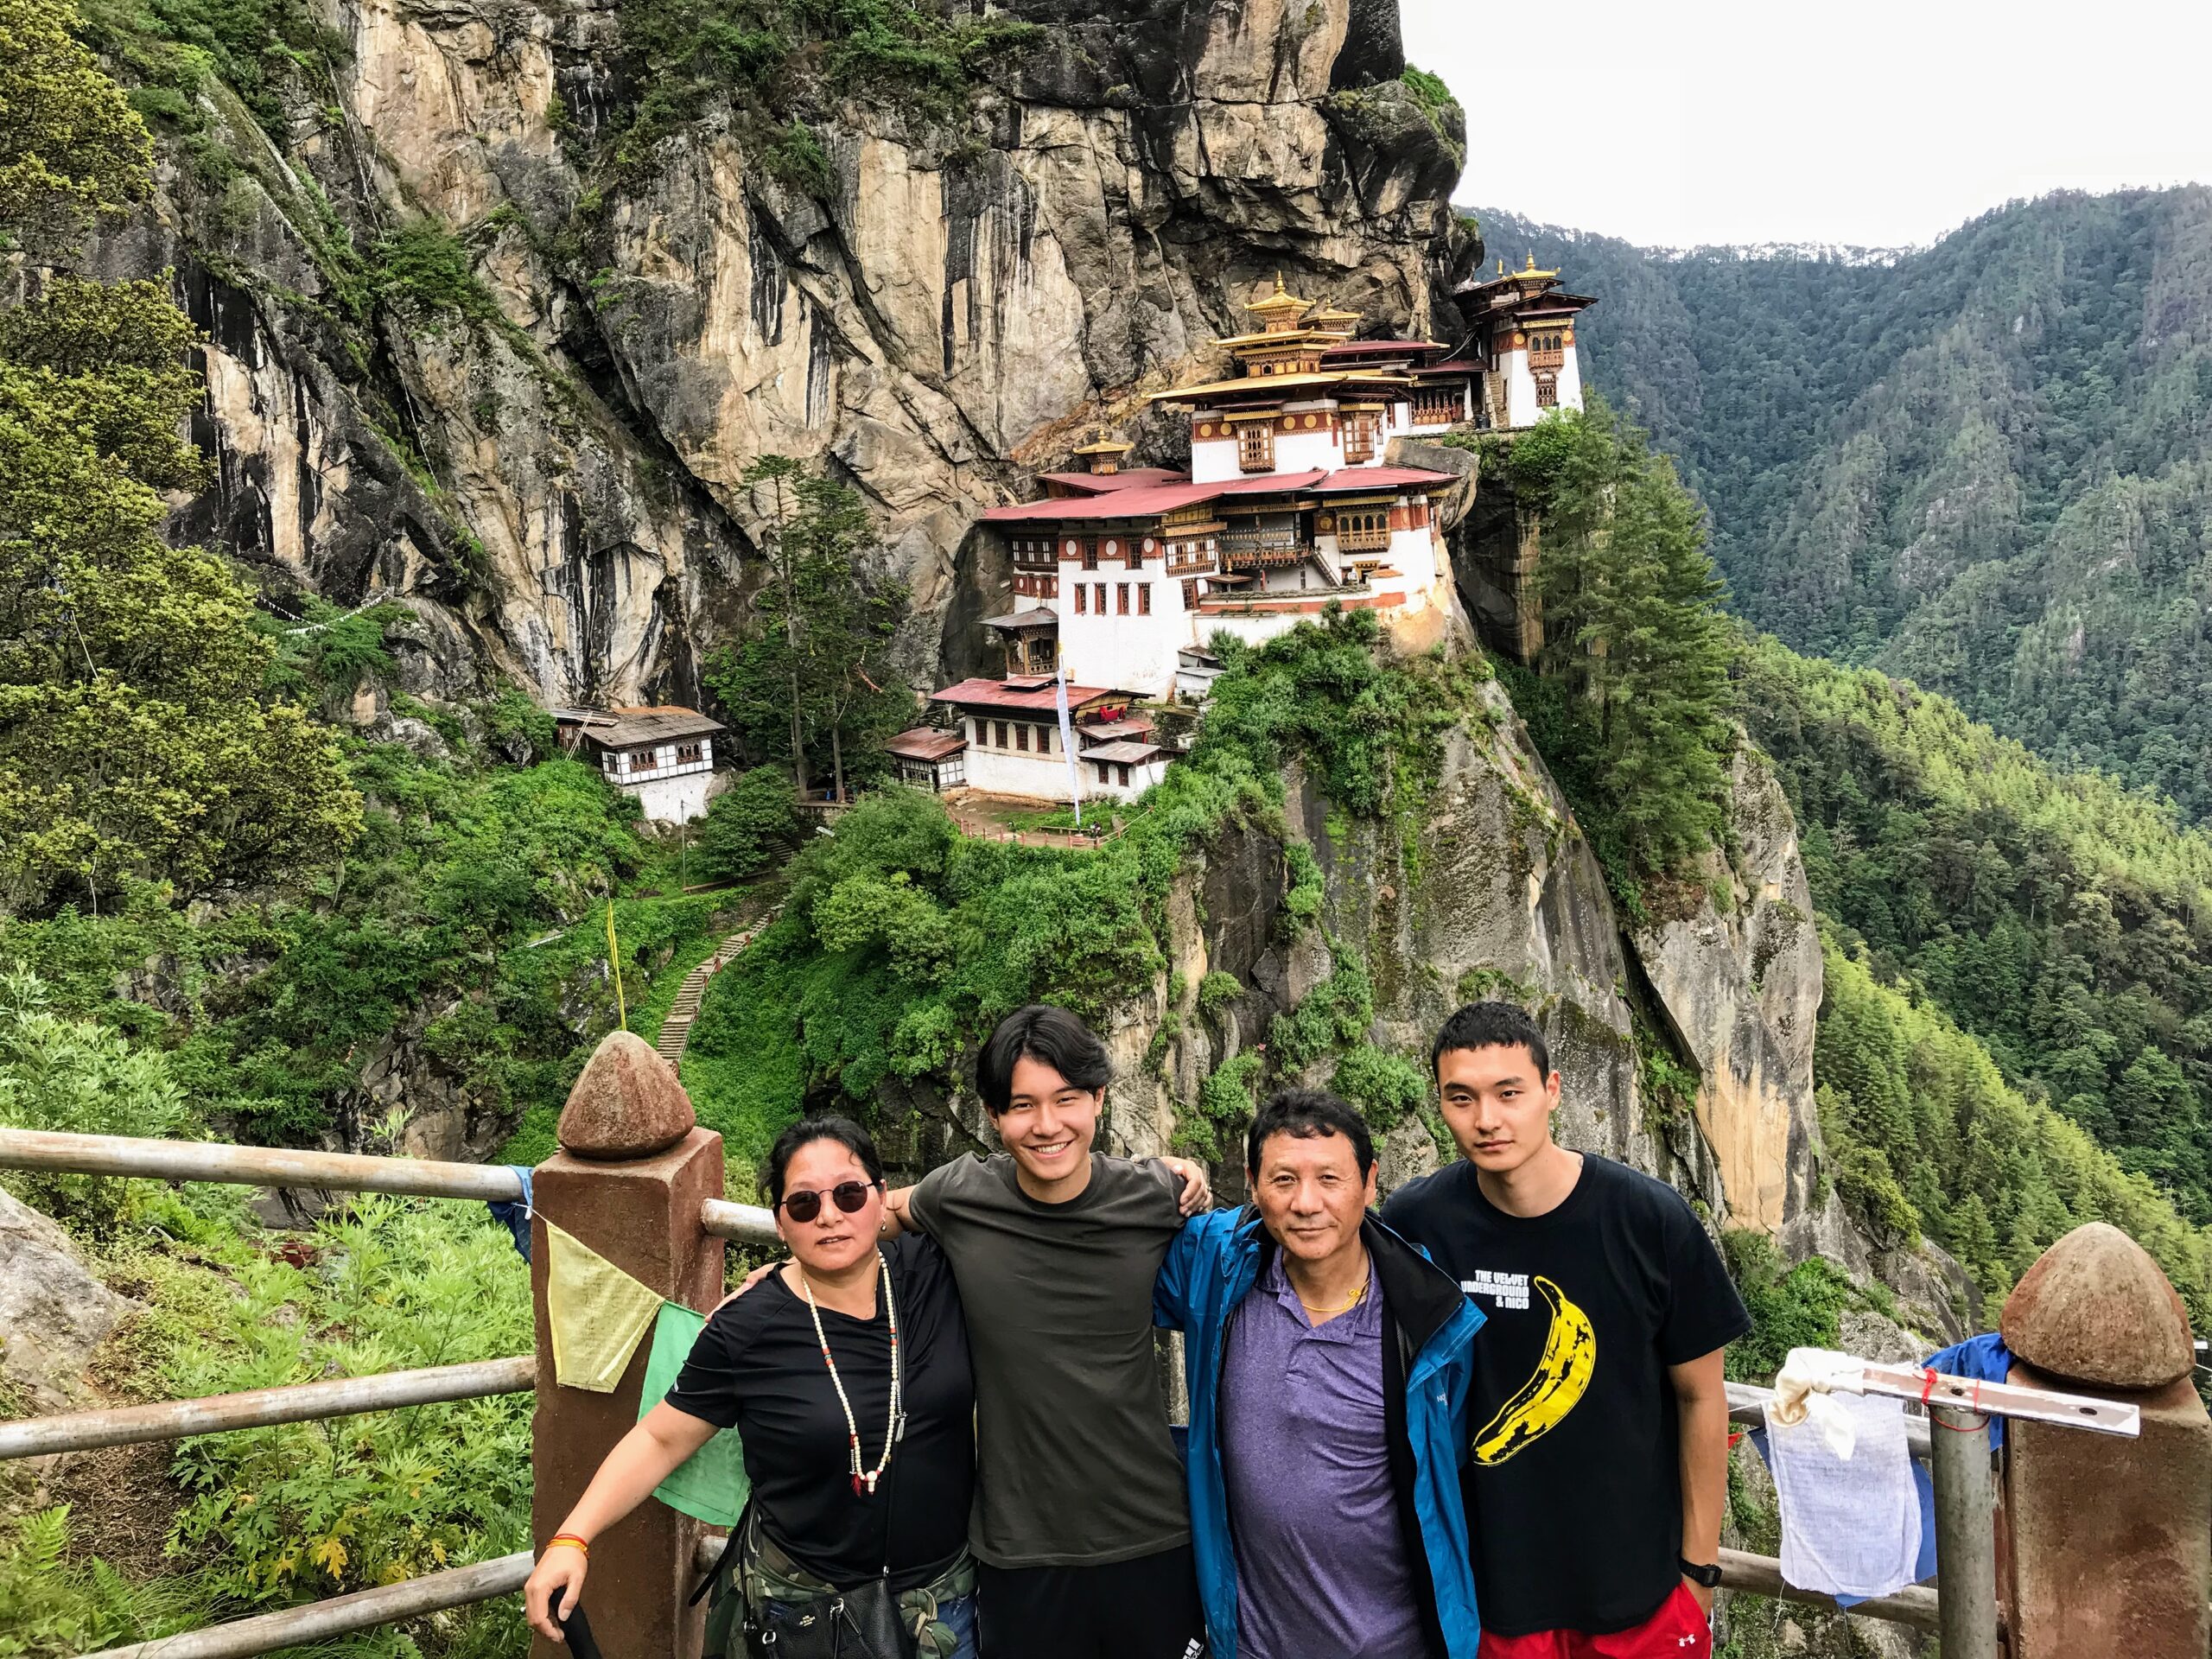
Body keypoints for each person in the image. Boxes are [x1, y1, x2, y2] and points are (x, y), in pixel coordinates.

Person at [524, 1116, 980, 1658]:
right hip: (802, 1612)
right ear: (781, 1224)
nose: (830, 1215)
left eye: (850, 1194)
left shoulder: (940, 1271)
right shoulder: (748, 1327)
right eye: (804, 1204)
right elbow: (661, 1439)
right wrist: (572, 1538)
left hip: (943, 1603)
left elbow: (1021, 1191)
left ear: (883, 1199)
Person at [1379, 1002, 1751, 1659]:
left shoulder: (1649, 1222)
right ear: (1439, 1103)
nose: (1487, 1120)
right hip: (1491, 1600)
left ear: (1551, 1091)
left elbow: (1702, 1398)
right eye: (1461, 1098)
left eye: (1509, 1093)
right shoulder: (1416, 1223)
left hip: (1639, 1595)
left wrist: (1698, 1574)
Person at [878, 1003, 1214, 1659]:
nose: (1047, 1125)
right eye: (1023, 1106)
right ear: (995, 1117)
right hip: (1019, 1547)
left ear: (1099, 1100)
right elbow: (879, 1212)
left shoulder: (1152, 1196)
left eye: (1067, 1100)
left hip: (1150, 1532)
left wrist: (1192, 1173)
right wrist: (788, 1277)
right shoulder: (960, 1195)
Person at [1154, 1089, 1487, 1659]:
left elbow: (1450, 1472)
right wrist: (1147, 1176)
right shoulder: (1218, 1267)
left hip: (1394, 1645)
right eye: (1283, 1180)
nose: (1306, 1203)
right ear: (1253, 1184)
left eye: (1330, 1180)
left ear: (1370, 1182)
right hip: (1250, 1644)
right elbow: (1089, 1234)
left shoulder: (1425, 1318)